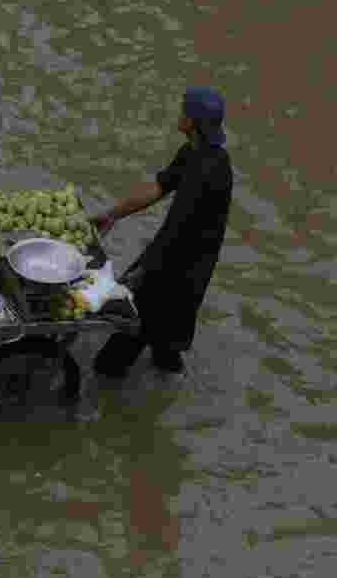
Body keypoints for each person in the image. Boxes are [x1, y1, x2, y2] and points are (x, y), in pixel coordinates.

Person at [90, 86, 234, 376]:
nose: (178, 115)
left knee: (110, 361)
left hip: (179, 268)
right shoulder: (194, 153)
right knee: (167, 344)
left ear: (191, 121)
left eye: (183, 111)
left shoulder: (207, 172)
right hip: (188, 262)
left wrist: (141, 273)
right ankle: (169, 393)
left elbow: (178, 231)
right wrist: (113, 214)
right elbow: (159, 187)